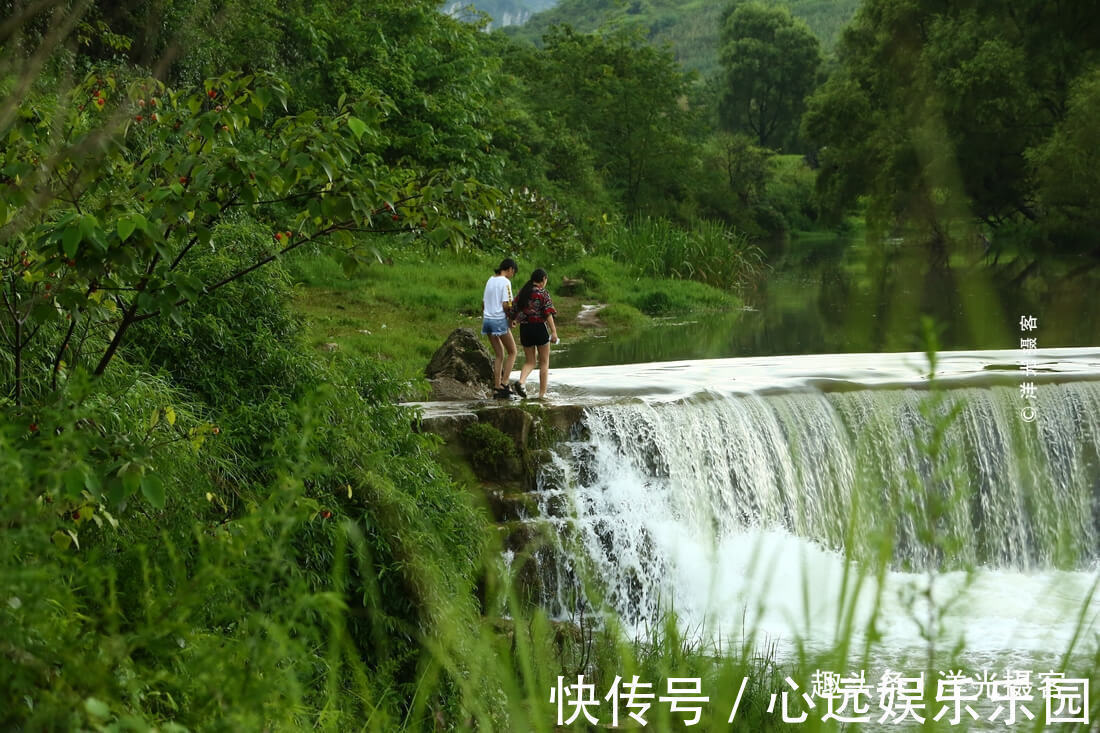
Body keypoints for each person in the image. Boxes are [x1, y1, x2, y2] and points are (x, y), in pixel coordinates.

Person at [512, 268, 558, 400]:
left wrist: (514, 321)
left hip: (525, 329)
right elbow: (547, 313)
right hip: (539, 328)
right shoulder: (542, 293)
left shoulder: (523, 291)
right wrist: (554, 332)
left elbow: (514, 308)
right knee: (544, 362)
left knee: (530, 361)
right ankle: (542, 394)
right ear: (543, 279)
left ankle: (521, 382)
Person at [481, 258, 518, 399]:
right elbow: (506, 305)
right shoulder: (505, 282)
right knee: (513, 352)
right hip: (498, 320)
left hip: (487, 321)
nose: (512, 275)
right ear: (510, 269)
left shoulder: (490, 280)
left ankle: (496, 387)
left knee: (499, 355)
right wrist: (512, 319)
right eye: (513, 272)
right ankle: (504, 383)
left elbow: (483, 303)